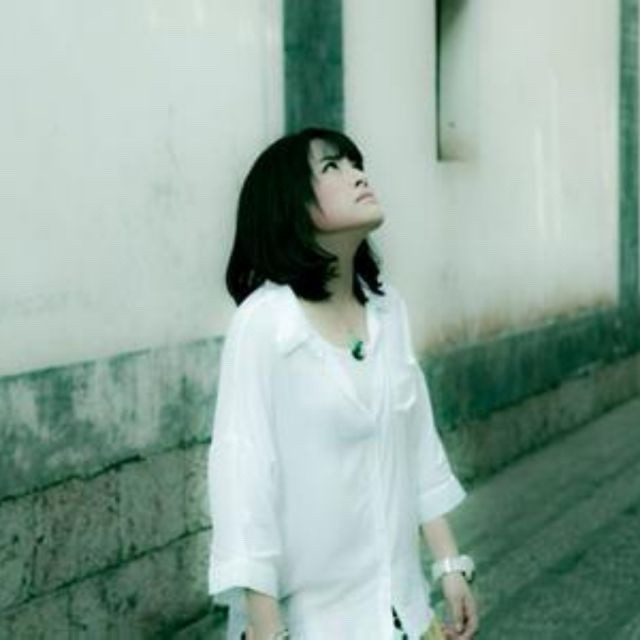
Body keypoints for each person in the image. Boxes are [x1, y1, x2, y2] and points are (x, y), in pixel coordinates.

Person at [207, 127, 478, 640]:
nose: (357, 175)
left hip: (404, 612)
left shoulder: (387, 310)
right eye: (332, 167)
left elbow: (417, 443)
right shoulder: (265, 325)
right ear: (288, 205)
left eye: (356, 164)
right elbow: (243, 476)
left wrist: (449, 565)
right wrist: (267, 626)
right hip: (314, 622)